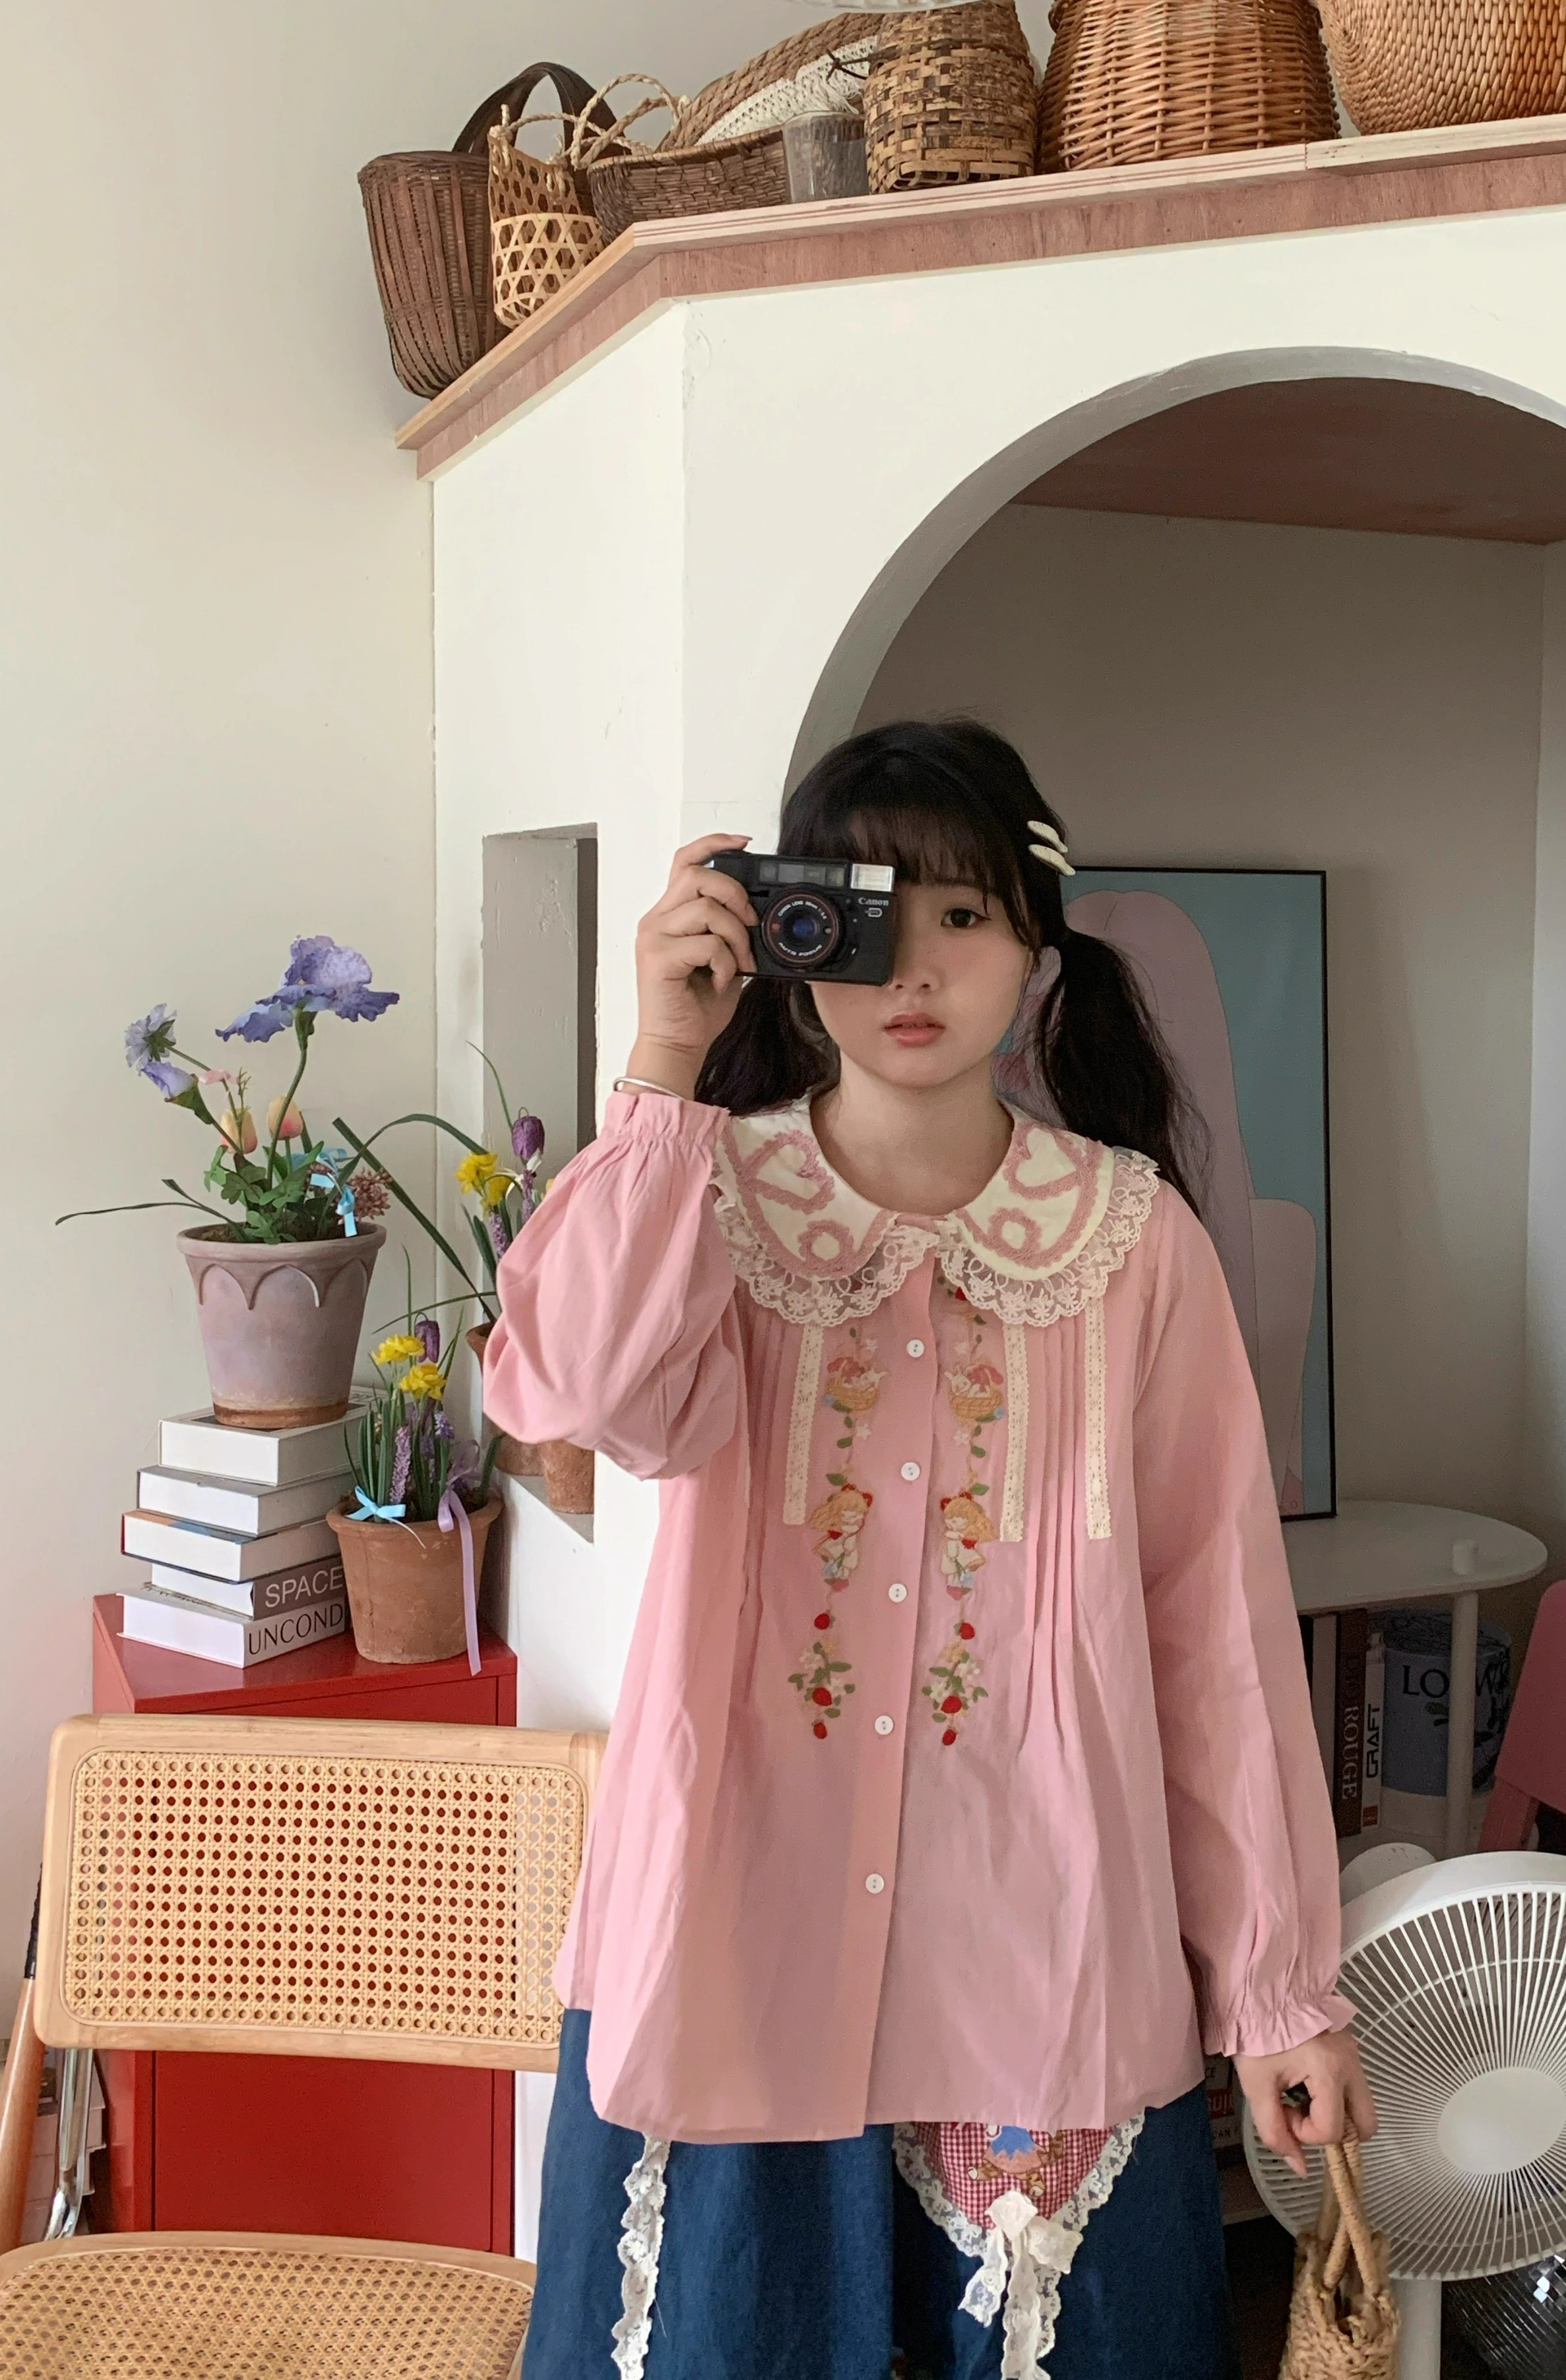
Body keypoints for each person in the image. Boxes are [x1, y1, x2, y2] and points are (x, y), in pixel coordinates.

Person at [485, 720, 1375, 2380]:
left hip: (1038, 1969)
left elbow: (1215, 1638)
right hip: (737, 1950)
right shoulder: (707, 1202)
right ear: (787, 936)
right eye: (864, 913)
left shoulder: (1131, 1246)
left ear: (1037, 943)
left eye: (961, 914)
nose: (913, 966)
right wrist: (663, 1058)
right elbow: (577, 1390)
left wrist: (1273, 1993)